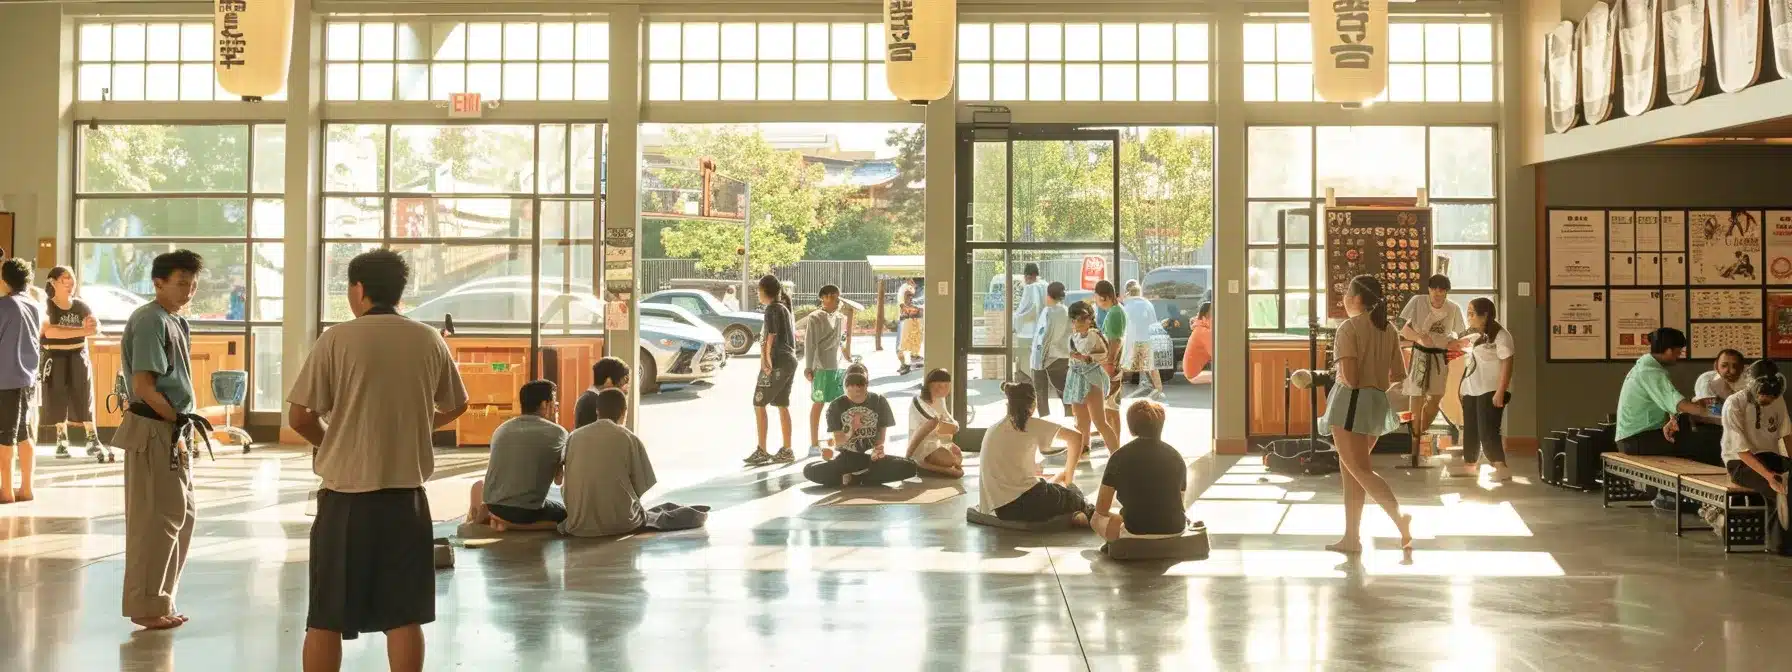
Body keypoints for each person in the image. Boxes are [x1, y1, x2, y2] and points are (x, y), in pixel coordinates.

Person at [288, 249, 469, 670]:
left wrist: (331, 441)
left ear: (358, 289)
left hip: (345, 499)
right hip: (406, 498)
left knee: (326, 618)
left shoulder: (337, 338)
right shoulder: (427, 338)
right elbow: (458, 404)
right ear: (399, 290)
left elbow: (299, 416)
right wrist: (419, 426)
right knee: (404, 616)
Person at [116, 250, 205, 631]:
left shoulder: (174, 321)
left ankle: (160, 599)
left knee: (180, 516)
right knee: (156, 519)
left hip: (172, 429)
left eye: (193, 283)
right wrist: (174, 419)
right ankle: (145, 605)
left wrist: (180, 427)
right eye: (181, 282)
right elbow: (144, 386)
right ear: (158, 282)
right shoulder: (150, 319)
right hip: (155, 427)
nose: (189, 290)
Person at [1322, 275, 1415, 559]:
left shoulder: (1348, 328)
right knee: (1354, 473)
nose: (1344, 299)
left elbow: (1349, 378)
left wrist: (1335, 374)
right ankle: (1351, 538)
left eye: (1347, 294)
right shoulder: (1387, 330)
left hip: (1349, 404)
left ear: (1358, 300)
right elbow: (1398, 375)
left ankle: (1400, 519)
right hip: (1376, 403)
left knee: (1360, 471)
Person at [1615, 327, 1719, 510]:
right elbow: (1679, 403)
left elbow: (1665, 401)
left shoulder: (1644, 367)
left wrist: (1672, 419)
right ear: (1669, 350)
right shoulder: (1652, 372)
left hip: (1635, 437)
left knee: (1689, 432)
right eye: (1678, 352)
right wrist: (1714, 411)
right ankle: (1682, 497)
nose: (1679, 356)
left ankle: (1675, 494)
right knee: (1708, 443)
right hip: (1637, 440)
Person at [560, 389, 679, 537]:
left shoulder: (573, 437)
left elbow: (564, 482)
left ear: (597, 411)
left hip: (578, 525)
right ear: (624, 412)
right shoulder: (629, 438)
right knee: (663, 515)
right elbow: (640, 487)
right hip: (622, 525)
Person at [978, 382, 1093, 525]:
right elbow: (1076, 438)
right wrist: (1069, 477)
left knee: (1054, 485)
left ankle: (1074, 513)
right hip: (1029, 502)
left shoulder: (993, 428)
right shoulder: (1029, 424)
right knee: (1075, 497)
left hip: (1001, 509)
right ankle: (1082, 512)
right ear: (1033, 405)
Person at [466, 380, 568, 532]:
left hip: (492, 505)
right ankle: (511, 525)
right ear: (545, 405)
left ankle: (493, 518)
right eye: (555, 403)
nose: (557, 408)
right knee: (565, 516)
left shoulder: (501, 429)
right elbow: (558, 481)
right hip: (525, 512)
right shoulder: (558, 433)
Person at [1720, 360, 1792, 553]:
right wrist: (1770, 477)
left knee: (1787, 481)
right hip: (1740, 463)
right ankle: (1779, 545)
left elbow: (1786, 435)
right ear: (1752, 386)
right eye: (1763, 395)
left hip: (1769, 455)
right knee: (1779, 490)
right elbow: (1741, 451)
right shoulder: (1734, 404)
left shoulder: (1779, 400)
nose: (1767, 400)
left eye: (1772, 396)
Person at [1092, 401, 1190, 542]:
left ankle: (1116, 546)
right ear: (1160, 426)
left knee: (1097, 518)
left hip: (1135, 530)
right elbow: (1180, 502)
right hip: (1174, 529)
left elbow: (1101, 508)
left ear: (1132, 429)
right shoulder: (1176, 457)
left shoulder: (1119, 457)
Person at [804, 366, 916, 487]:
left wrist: (877, 452)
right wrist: (851, 429)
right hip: (847, 458)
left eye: (860, 379)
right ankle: (861, 476)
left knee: (909, 466)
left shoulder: (879, 400)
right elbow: (839, 440)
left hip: (870, 458)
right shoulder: (836, 405)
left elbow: (880, 438)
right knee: (810, 470)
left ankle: (859, 476)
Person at [40, 266, 104, 461]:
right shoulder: (46, 306)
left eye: (72, 279)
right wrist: (82, 331)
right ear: (52, 282)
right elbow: (50, 332)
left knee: (84, 395)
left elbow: (95, 326)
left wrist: (93, 326)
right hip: (55, 356)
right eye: (64, 279)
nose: (70, 283)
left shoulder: (80, 305)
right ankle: (61, 439)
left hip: (78, 355)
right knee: (57, 396)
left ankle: (92, 439)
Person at [1398, 274, 1467, 446]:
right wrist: (1420, 337)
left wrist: (1459, 344)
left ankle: (1418, 434)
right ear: (1428, 289)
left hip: (1439, 356)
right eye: (1434, 288)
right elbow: (1402, 329)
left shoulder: (1454, 308)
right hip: (1420, 354)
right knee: (1416, 397)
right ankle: (1414, 443)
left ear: (1446, 292)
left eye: (1441, 289)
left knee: (1436, 398)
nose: (1437, 292)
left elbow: (1458, 335)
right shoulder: (1418, 301)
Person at [1456, 298, 1515, 481]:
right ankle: (1470, 465)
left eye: (1472, 313)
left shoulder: (1501, 336)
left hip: (1491, 390)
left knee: (1488, 430)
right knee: (1471, 429)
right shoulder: (1477, 335)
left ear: (1485, 315)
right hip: (1472, 389)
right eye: (1468, 313)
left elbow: (1507, 363)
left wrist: (1500, 391)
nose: (1469, 317)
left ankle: (1501, 467)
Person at [745, 275, 799, 466]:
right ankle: (787, 449)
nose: (757, 294)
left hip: (777, 361)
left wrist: (766, 360)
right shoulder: (784, 307)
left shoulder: (772, 309)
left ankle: (762, 449)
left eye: (758, 290)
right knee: (782, 403)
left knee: (759, 402)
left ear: (763, 290)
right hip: (789, 360)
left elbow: (772, 335)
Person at [0, 259, 42, 504]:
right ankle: (26, 487)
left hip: (5, 378)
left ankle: (6, 491)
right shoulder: (34, 305)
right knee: (24, 433)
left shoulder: (5, 306)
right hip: (27, 378)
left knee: (5, 435)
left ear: (5, 280)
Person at [1062, 301, 1117, 479]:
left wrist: (1085, 358)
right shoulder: (1073, 336)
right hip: (1076, 377)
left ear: (1089, 319)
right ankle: (1083, 448)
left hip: (1092, 377)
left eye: (1082, 318)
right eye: (1075, 319)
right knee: (1080, 420)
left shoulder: (1094, 335)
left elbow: (1103, 354)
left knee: (1099, 421)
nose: (1077, 323)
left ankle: (1116, 455)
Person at [803, 284, 852, 456]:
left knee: (838, 404)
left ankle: (837, 440)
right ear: (822, 298)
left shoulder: (840, 318)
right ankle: (814, 443)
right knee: (818, 402)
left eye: (836, 296)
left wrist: (847, 356)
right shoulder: (815, 317)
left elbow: (841, 341)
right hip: (820, 368)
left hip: (836, 368)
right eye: (829, 296)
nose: (833, 299)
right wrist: (809, 367)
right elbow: (810, 344)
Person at [908, 368, 963, 478]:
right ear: (929, 386)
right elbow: (933, 423)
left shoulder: (940, 399)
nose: (943, 390)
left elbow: (950, 421)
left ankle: (936, 467)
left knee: (958, 457)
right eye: (938, 386)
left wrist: (953, 426)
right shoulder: (919, 401)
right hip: (924, 444)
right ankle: (919, 462)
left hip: (938, 441)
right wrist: (908, 455)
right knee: (951, 461)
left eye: (946, 386)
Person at [1030, 281, 1071, 417]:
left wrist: (1039, 362)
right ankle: (1071, 420)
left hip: (1045, 358)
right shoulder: (1066, 311)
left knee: (1041, 395)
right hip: (1063, 357)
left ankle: (1045, 423)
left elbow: (1044, 337)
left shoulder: (1048, 312)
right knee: (1065, 394)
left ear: (1048, 295)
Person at [1092, 280, 1126, 440]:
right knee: (1109, 405)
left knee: (1111, 406)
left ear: (1104, 297)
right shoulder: (1116, 311)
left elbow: (1115, 340)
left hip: (1112, 364)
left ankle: (1115, 442)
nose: (1096, 301)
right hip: (1113, 363)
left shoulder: (1114, 313)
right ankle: (1112, 440)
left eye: (1097, 297)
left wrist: (1110, 363)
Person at [1120, 282, 1166, 401]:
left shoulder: (1127, 306)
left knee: (1125, 366)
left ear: (1128, 292)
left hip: (1133, 340)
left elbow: (1125, 326)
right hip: (1147, 339)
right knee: (1151, 366)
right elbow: (1153, 322)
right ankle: (1159, 390)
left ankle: (1117, 390)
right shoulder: (1148, 304)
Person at [573, 357, 629, 429]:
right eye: (622, 383)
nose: (625, 390)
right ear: (609, 382)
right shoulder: (594, 402)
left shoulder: (588, 398)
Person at [1012, 264, 1046, 383]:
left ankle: (1027, 383)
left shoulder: (1030, 288)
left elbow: (1024, 310)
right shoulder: (1045, 285)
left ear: (1027, 276)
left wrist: (1014, 322)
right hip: (1043, 331)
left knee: (1026, 362)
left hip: (1027, 333)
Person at [1181, 302, 1214, 385]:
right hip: (1194, 374)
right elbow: (1217, 355)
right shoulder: (1204, 332)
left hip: (1193, 372)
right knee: (1224, 376)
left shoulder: (1200, 329)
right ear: (1204, 318)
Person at [897, 277, 923, 375]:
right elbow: (904, 306)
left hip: (910, 318)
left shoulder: (908, 288)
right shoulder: (906, 289)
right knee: (904, 343)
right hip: (907, 318)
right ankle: (906, 364)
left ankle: (911, 359)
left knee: (911, 340)